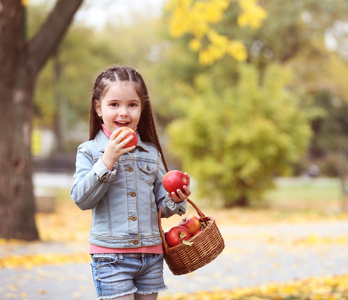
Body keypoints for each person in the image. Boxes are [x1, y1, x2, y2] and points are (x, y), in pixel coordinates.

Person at [71, 66, 191, 300]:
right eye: (114, 104)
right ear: (98, 108)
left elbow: (161, 208)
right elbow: (81, 199)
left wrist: (176, 199)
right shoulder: (89, 152)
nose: (123, 113)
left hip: (151, 256)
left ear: (141, 108)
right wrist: (108, 159)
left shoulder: (150, 153)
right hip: (111, 257)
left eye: (132, 105)